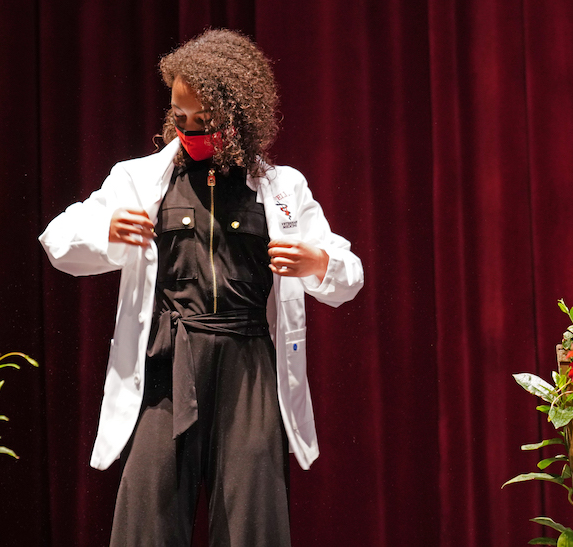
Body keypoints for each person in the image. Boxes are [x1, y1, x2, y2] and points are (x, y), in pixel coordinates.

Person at [39, 29, 364, 546]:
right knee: (147, 516)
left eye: (203, 121)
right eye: (179, 118)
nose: (188, 131)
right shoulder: (141, 179)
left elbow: (349, 272)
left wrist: (316, 261)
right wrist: (104, 233)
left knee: (251, 521)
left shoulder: (283, 189)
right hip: (170, 364)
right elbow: (58, 242)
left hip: (248, 366)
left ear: (237, 116)